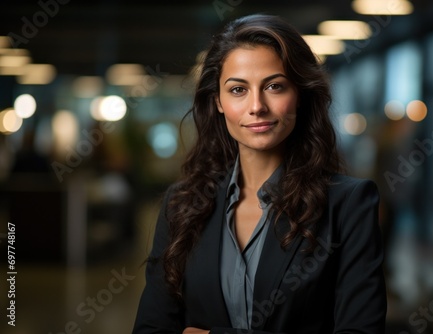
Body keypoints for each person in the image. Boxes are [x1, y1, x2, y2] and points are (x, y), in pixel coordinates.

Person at [132, 13, 387, 334]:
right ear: (219, 102)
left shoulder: (349, 204)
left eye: (275, 86)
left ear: (301, 95)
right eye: (238, 90)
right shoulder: (181, 204)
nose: (257, 106)